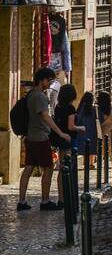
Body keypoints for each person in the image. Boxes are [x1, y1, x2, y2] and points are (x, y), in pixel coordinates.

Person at [18, 67, 69, 212]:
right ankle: (45, 201)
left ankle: (22, 201)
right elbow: (45, 116)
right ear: (42, 80)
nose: (50, 83)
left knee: (28, 168)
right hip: (40, 137)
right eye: (48, 80)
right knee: (48, 168)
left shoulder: (32, 94)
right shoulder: (39, 96)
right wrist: (60, 132)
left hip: (31, 136)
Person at [54, 83, 84, 203]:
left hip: (61, 140)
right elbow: (70, 126)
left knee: (62, 169)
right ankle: (67, 199)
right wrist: (81, 128)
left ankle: (61, 198)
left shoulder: (58, 107)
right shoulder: (70, 108)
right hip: (70, 140)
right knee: (68, 169)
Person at [76, 91, 101, 165]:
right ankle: (91, 163)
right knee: (92, 145)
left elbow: (78, 119)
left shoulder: (81, 108)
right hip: (93, 130)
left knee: (85, 146)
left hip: (84, 130)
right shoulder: (95, 109)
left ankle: (85, 162)